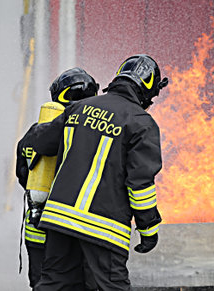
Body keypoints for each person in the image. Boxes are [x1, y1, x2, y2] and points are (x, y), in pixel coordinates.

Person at [29, 54, 169, 290]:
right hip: (103, 228)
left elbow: (40, 143)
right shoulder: (141, 123)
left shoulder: (78, 107)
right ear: (146, 88)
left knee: (56, 285)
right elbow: (140, 186)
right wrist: (148, 229)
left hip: (58, 222)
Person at [16, 67, 99, 289]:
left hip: (35, 230)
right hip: (64, 232)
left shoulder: (34, 131)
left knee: (42, 284)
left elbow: (22, 175)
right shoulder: (81, 133)